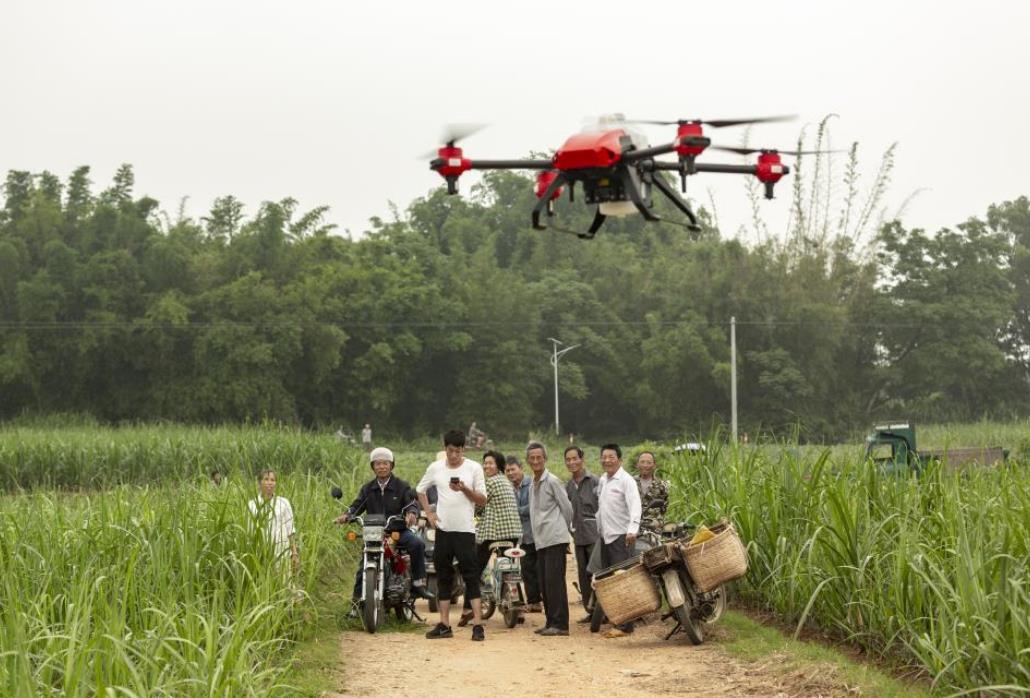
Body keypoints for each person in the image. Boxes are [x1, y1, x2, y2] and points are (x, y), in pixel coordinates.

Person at [334, 447, 433, 615]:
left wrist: (411, 514)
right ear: (373, 466)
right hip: (374, 533)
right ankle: (356, 605)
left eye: (385, 463)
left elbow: (411, 503)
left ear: (391, 465)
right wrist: (347, 515)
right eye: (378, 463)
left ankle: (418, 583)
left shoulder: (402, 486)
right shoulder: (368, 488)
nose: (381, 467)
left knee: (417, 543)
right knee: (363, 565)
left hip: (397, 531)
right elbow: (357, 505)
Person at [417, 430, 488, 641]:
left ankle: (478, 625)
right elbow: (420, 489)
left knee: (471, 576)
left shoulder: (474, 468)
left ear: (463, 449)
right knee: (443, 576)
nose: (454, 455)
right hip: (443, 530)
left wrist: (464, 488)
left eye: (458, 451)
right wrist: (429, 513)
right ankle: (444, 624)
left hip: (465, 530)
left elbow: (482, 500)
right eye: (450, 450)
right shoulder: (435, 468)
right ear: (444, 448)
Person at [458, 449, 522, 626]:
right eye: (485, 463)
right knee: (511, 568)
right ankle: (516, 604)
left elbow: (480, 503)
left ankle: (468, 609)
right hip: (514, 532)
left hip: (493, 533)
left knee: (474, 570)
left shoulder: (490, 483)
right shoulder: (506, 481)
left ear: (498, 465)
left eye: (490, 463)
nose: (487, 466)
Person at [526, 441, 574, 637]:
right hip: (541, 540)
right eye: (532, 458)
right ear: (528, 461)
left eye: (539, 457)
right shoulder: (532, 483)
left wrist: (565, 533)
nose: (536, 461)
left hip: (555, 538)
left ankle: (561, 624)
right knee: (545, 583)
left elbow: (568, 508)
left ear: (545, 459)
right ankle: (550, 622)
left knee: (555, 582)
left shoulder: (552, 480)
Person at [596, 443, 641, 638]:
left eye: (611, 457)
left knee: (623, 581)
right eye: (604, 457)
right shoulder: (603, 480)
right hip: (606, 537)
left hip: (622, 537)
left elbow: (635, 506)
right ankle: (617, 620)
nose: (607, 460)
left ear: (620, 460)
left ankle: (626, 625)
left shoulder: (626, 480)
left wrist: (632, 529)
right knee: (610, 582)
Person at [564, 445, 599, 621]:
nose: (572, 462)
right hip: (578, 537)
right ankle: (590, 611)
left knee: (597, 574)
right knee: (583, 575)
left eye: (574, 458)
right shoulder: (568, 486)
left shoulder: (594, 481)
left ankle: (603, 611)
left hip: (594, 535)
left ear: (582, 460)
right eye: (568, 460)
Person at [505, 454, 541, 613]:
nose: (510, 473)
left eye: (513, 469)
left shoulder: (532, 484)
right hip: (522, 536)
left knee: (540, 569)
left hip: (537, 534)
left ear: (521, 469)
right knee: (527, 570)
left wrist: (514, 511)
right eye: (507, 470)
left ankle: (543, 599)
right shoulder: (509, 487)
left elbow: (533, 507)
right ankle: (534, 602)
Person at [248, 469, 299, 574]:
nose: (269, 483)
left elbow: (290, 530)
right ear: (259, 482)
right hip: (260, 555)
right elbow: (250, 532)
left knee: (284, 585)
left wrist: (294, 554)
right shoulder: (252, 505)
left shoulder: (284, 503)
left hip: (282, 553)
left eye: (272, 480)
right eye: (266, 479)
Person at [634, 451, 669, 535]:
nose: (645, 465)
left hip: (653, 530)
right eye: (642, 462)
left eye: (649, 462)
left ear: (654, 465)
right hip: (632, 528)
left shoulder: (662, 485)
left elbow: (664, 508)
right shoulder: (630, 482)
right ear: (637, 465)